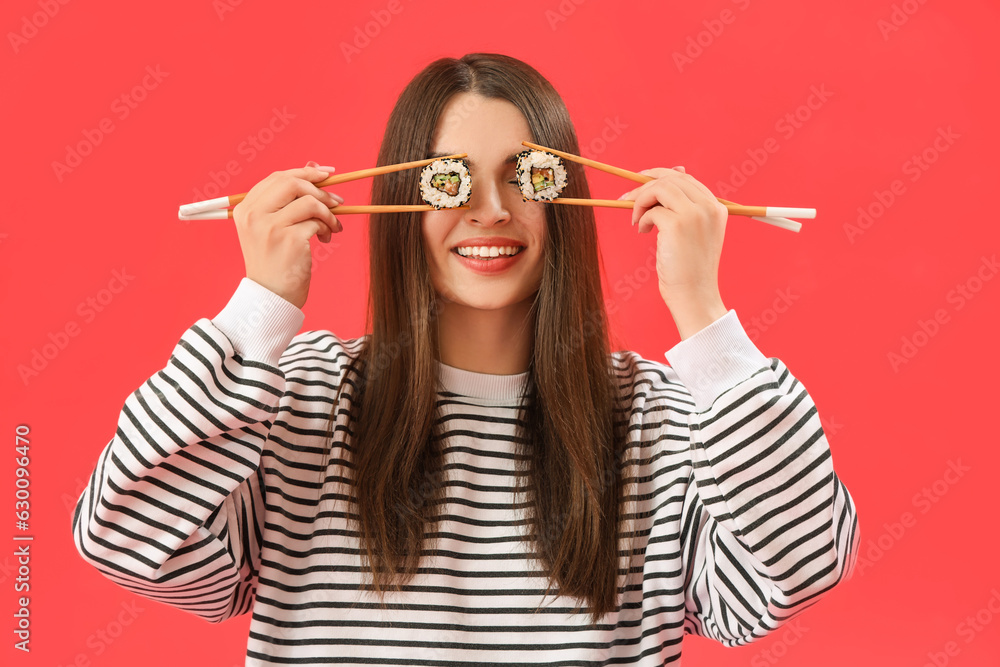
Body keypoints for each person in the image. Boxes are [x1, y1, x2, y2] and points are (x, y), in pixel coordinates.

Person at [72, 53, 859, 665]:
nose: (490, 208)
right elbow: (124, 538)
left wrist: (704, 315)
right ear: (402, 202)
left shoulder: (662, 418)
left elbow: (798, 569)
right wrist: (259, 307)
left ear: (568, 198)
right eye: (450, 181)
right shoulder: (297, 399)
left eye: (527, 177)